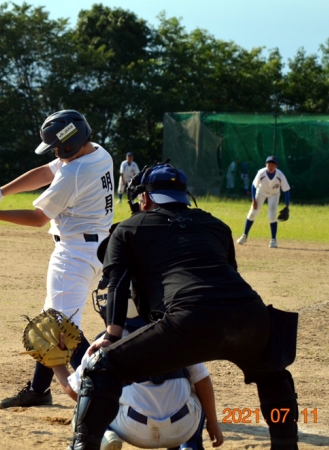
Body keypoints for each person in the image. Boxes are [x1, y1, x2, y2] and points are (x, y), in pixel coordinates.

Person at [66, 163, 299, 450]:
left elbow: (117, 284)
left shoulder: (128, 229)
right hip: (251, 316)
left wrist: (112, 337)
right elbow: (229, 274)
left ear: (145, 198)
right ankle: (286, 445)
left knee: (102, 369)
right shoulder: (217, 225)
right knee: (274, 373)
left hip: (189, 320)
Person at [0, 110, 114, 409]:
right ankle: (38, 390)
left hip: (74, 254)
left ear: (71, 144)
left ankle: (103, 389)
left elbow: (38, 218)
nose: (55, 153)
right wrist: (0, 192)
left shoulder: (74, 174)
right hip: (97, 247)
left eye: (58, 147)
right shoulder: (99, 152)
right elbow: (47, 171)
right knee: (53, 319)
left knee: (61, 329)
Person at [51, 316, 223, 450]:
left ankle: (106, 434)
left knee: (91, 397)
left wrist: (56, 364)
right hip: (182, 427)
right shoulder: (178, 333)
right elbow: (203, 381)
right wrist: (213, 423)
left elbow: (76, 393)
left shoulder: (105, 342)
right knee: (194, 383)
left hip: (134, 429)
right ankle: (191, 445)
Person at [237, 156, 291, 248]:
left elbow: (286, 190)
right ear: (266, 165)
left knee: (272, 215)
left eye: (273, 164)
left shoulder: (280, 175)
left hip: (274, 194)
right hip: (261, 192)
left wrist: (287, 206)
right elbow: (254, 185)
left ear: (276, 166)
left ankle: (273, 240)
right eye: (269, 164)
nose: (270, 166)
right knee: (252, 213)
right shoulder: (261, 173)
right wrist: (253, 199)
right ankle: (244, 235)